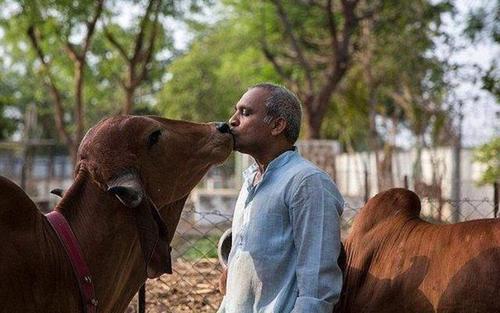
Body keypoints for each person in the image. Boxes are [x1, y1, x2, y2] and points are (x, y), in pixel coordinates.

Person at [217, 83, 344, 313]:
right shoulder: (249, 182)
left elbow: (316, 291)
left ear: (277, 125)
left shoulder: (307, 183)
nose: (232, 120)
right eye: (236, 111)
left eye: (245, 113)